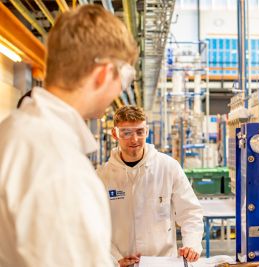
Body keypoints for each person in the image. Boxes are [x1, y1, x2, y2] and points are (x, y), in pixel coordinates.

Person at [0, 5, 138, 267]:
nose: (120, 89)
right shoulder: (59, 165)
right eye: (124, 77)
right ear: (102, 74)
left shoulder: (11, 131)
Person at [97, 106, 204, 267]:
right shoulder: (102, 176)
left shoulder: (168, 167)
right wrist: (114, 258)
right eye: (126, 133)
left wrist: (192, 244)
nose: (134, 139)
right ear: (115, 134)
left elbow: (190, 212)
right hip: (122, 263)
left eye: (140, 132)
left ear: (146, 132)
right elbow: (95, 224)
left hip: (163, 262)